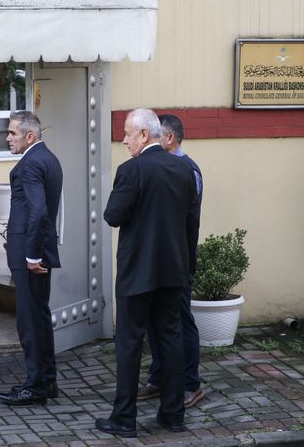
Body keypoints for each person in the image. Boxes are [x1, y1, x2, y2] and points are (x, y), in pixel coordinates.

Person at [96, 108, 198, 437]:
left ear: (144, 135)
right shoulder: (184, 169)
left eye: (127, 133)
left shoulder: (132, 170)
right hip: (173, 271)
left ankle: (124, 419)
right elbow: (190, 225)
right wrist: (187, 267)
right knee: (171, 340)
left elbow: (113, 215)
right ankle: (173, 414)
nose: (123, 140)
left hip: (137, 273)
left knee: (129, 344)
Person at [0, 110, 63, 406]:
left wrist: (32, 255)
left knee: (29, 321)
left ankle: (35, 386)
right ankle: (47, 382)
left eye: (13, 133)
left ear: (30, 136)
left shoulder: (31, 163)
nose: (8, 138)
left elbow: (38, 211)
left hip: (30, 253)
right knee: (39, 316)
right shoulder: (48, 158)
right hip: (38, 249)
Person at [139, 114, 204, 408]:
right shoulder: (162, 167)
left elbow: (184, 220)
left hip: (178, 259)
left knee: (180, 320)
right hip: (158, 260)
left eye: (156, 136)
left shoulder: (187, 170)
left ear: (170, 138)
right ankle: (159, 376)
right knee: (155, 319)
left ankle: (191, 383)